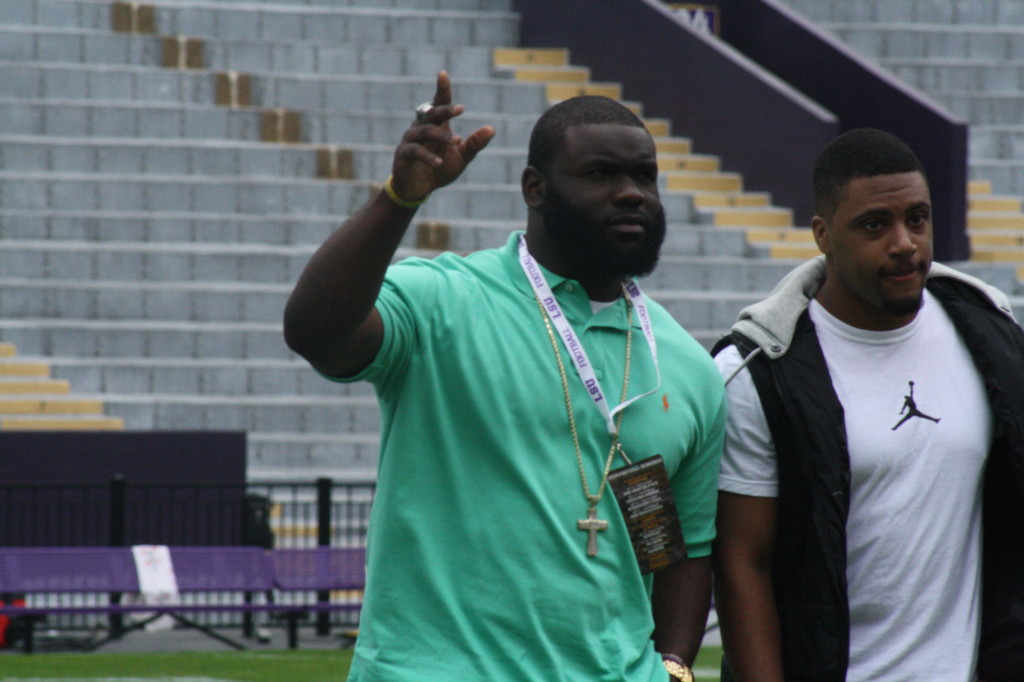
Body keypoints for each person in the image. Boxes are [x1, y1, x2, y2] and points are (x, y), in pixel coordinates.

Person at [283, 71, 726, 681]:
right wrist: (399, 199)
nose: (632, 194)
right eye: (601, 174)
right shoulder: (444, 300)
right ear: (535, 189)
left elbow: (682, 549)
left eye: (644, 176)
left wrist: (674, 666)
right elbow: (316, 335)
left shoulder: (685, 366)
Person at [711, 128, 1024, 682]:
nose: (905, 242)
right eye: (875, 225)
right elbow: (743, 564)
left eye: (918, 219)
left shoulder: (991, 332)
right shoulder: (759, 372)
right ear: (823, 234)